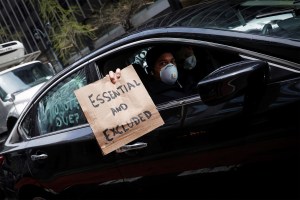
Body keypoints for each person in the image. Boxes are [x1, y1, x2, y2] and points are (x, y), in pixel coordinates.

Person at [108, 46, 197, 104]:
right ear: (152, 71)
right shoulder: (152, 98)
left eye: (172, 61)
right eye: (163, 63)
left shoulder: (185, 78)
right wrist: (116, 86)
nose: (171, 66)